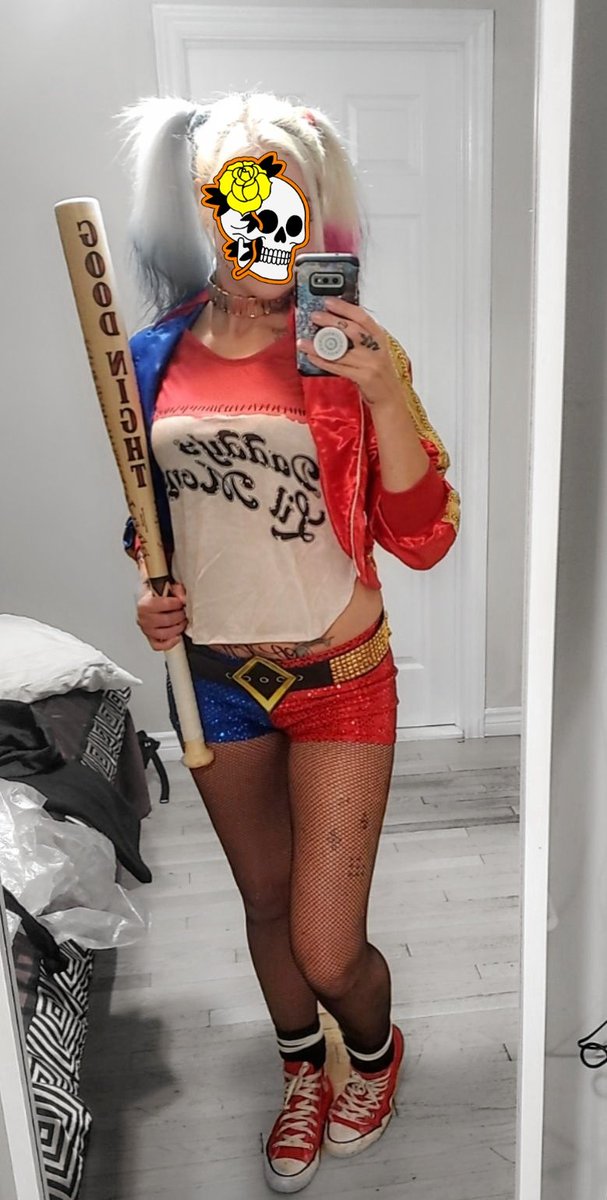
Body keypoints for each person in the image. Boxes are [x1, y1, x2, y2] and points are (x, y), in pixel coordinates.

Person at [119, 92, 460, 1194]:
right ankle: (302, 1073)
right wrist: (152, 595)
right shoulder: (152, 355)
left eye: (285, 199)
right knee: (264, 906)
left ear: (318, 210)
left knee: (326, 945)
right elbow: (152, 519)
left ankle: (373, 1050)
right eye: (238, 197)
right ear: (204, 208)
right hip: (213, 681)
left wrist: (384, 395)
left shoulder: (352, 350)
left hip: (340, 679)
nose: (262, 223)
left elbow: (424, 538)